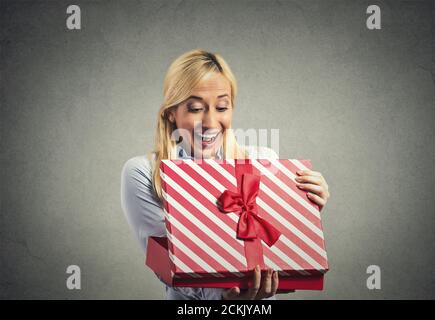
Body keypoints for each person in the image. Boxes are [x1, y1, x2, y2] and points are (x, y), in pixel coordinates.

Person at [120, 49, 330, 300]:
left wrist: (304, 209)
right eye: (196, 108)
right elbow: (168, 265)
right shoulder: (144, 172)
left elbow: (283, 249)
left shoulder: (264, 161)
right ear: (171, 113)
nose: (210, 121)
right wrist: (224, 300)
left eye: (221, 106)